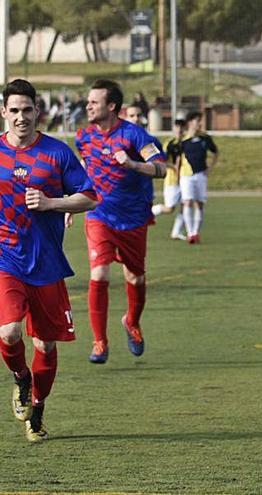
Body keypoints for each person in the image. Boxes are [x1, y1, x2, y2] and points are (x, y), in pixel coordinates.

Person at [0, 79, 97, 442]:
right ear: (3, 113)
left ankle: (37, 409)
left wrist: (53, 203)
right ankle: (21, 378)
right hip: (6, 258)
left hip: (46, 264)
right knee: (8, 332)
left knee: (46, 345)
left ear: (37, 111)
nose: (21, 117)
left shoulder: (57, 153)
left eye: (27, 110)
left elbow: (89, 197)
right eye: (14, 110)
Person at [76, 79, 167, 364]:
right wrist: (71, 201)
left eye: (94, 101)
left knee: (135, 277)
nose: (88, 106)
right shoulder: (84, 137)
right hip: (99, 214)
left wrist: (132, 164)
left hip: (134, 218)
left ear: (111, 106)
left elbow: (162, 169)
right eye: (88, 101)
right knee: (99, 274)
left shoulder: (135, 135)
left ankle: (132, 322)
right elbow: (84, 168)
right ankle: (100, 342)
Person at [179, 111, 218, 244]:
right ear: (190, 122)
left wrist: (210, 167)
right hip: (186, 176)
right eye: (197, 120)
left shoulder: (205, 138)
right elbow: (177, 159)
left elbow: (215, 152)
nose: (200, 123)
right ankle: (190, 233)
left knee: (199, 203)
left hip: (201, 174)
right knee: (187, 201)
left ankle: (196, 232)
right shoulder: (182, 140)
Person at [151, 118, 187, 240]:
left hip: (185, 179)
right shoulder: (169, 144)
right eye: (177, 128)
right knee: (169, 209)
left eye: (181, 128)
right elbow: (163, 162)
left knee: (185, 206)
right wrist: (174, 168)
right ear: (173, 129)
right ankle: (146, 214)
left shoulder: (187, 143)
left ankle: (176, 232)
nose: (179, 130)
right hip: (172, 180)